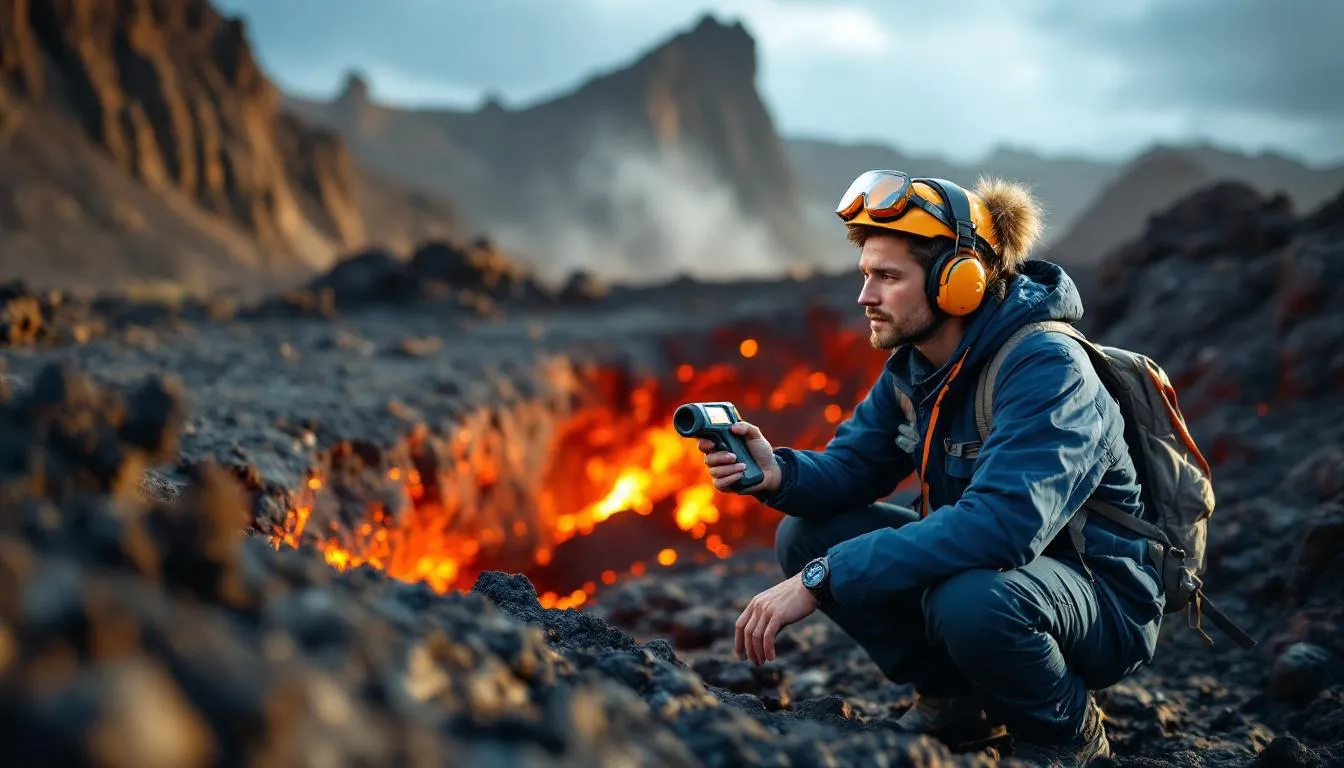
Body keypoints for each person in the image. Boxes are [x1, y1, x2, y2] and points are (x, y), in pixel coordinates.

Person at [696, 171, 1165, 767]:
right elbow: (854, 467)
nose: (865, 296)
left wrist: (823, 578)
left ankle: (1065, 735)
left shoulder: (1048, 367)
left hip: (1101, 598)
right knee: (808, 534)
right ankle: (957, 706)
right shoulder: (916, 364)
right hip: (1006, 575)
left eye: (888, 277)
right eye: (865, 274)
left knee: (967, 599)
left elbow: (1000, 526)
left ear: (959, 283)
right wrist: (779, 474)